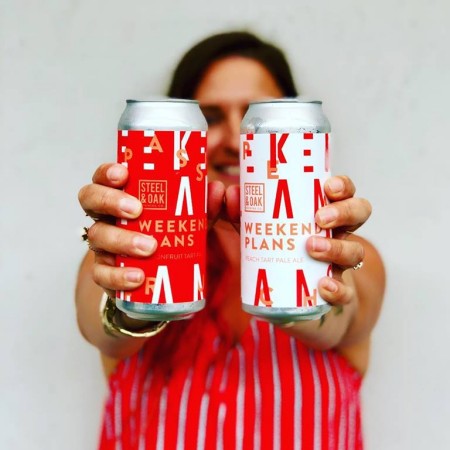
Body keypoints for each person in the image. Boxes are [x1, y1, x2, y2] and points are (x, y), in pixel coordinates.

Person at [76, 31, 385, 450]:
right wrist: (130, 297)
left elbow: (340, 322)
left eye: (255, 115)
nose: (238, 141)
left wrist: (318, 291)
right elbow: (101, 328)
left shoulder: (350, 259)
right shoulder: (119, 254)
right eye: (212, 116)